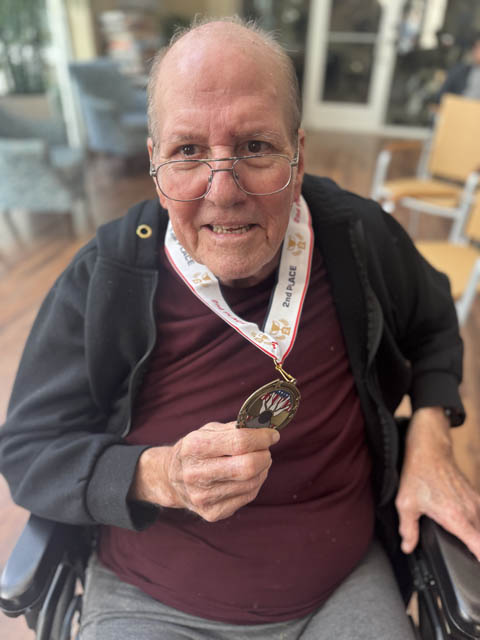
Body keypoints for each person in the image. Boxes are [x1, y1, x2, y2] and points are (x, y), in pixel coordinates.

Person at [1, 16, 480, 640]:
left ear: (299, 155)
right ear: (155, 162)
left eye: (255, 146)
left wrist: (432, 434)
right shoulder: (108, 274)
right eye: (188, 152)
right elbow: (30, 449)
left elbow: (434, 318)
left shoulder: (354, 235)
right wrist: (157, 474)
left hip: (339, 589)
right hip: (150, 598)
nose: (221, 191)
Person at [435, 32, 480, 102]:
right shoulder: (459, 71)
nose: (476, 51)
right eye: (476, 47)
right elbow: (441, 96)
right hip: (456, 109)